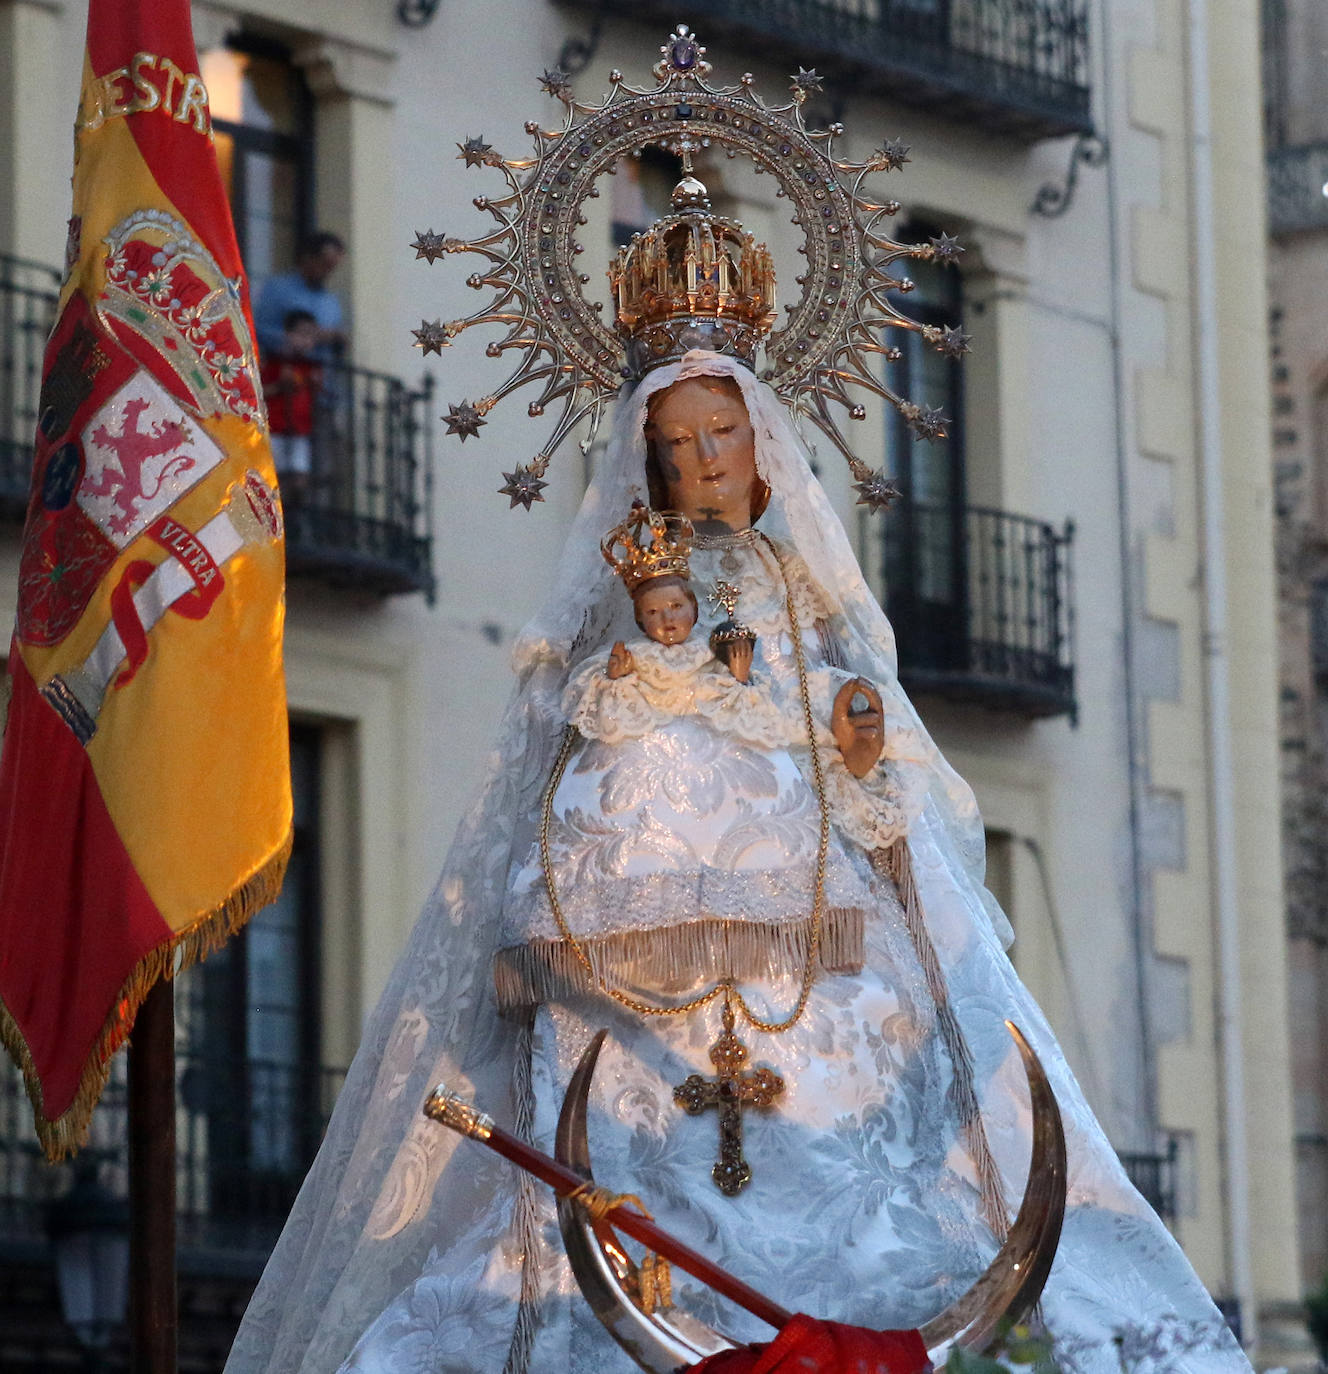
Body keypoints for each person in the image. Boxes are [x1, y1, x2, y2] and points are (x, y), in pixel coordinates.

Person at [225, 352, 1252, 1374]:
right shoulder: (632, 568)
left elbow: (842, 711)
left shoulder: (790, 577)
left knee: (872, 1055)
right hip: (637, 872)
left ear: (760, 440)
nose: (699, 458)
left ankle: (868, 1244)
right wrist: (644, 690)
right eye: (673, 444)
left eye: (717, 433)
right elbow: (584, 703)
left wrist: (846, 732)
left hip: (806, 881)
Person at [253, 230, 348, 363]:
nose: (329, 272)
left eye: (333, 267)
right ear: (308, 258)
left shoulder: (331, 301)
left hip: (320, 379)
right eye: (325, 264)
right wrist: (291, 339)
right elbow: (258, 330)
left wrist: (335, 337)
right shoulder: (278, 289)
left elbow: (340, 344)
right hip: (283, 375)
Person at [261, 309, 322, 497]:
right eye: (302, 334)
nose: (306, 340)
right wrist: (280, 386)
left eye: (311, 335)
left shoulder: (312, 367)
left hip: (300, 429)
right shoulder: (275, 363)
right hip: (276, 428)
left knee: (299, 477)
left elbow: (316, 396)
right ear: (288, 334)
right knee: (276, 478)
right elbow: (261, 393)